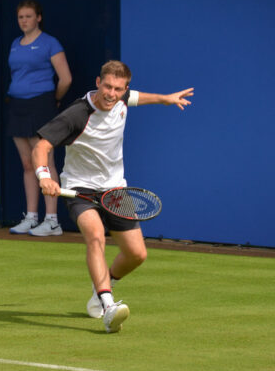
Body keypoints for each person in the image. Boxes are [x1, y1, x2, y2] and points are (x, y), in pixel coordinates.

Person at [32, 61, 193, 333]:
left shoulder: (123, 99)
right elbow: (41, 145)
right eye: (107, 86)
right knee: (95, 236)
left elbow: (137, 97)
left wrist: (165, 99)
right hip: (80, 189)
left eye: (118, 89)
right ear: (98, 82)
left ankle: (101, 289)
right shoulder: (77, 114)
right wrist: (44, 176)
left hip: (116, 190)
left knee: (137, 254)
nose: (111, 93)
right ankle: (108, 307)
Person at [7, 0, 72, 237]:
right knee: (27, 164)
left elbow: (65, 79)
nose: (24, 21)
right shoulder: (15, 44)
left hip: (42, 105)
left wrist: (53, 99)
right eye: (20, 17)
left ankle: (52, 220)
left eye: (28, 16)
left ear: (38, 18)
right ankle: (31, 217)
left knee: (44, 163)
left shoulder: (50, 43)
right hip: (17, 106)